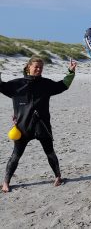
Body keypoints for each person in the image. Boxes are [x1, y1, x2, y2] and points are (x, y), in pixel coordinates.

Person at [0, 56, 77, 193]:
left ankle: (58, 176)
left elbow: (63, 85)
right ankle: (6, 181)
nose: (39, 69)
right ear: (28, 67)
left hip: (42, 125)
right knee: (16, 155)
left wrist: (70, 72)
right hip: (23, 126)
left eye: (41, 67)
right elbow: (1, 86)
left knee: (50, 153)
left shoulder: (46, 84)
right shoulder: (16, 84)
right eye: (36, 67)